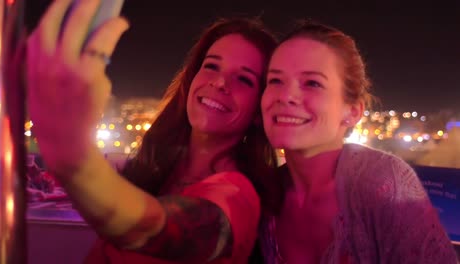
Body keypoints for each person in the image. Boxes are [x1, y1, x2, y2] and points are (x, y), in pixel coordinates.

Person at [26, 0, 277, 263]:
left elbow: (150, 228)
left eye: (244, 79)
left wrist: (72, 148)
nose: (220, 82)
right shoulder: (155, 169)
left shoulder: (238, 196)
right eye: (211, 66)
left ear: (260, 110)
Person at [256, 20, 457, 263]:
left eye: (312, 83)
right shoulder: (264, 199)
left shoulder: (383, 184)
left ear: (352, 112)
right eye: (275, 80)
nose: (286, 96)